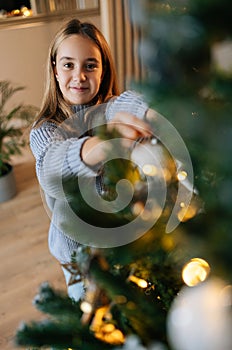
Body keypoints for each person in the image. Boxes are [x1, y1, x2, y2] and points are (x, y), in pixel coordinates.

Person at [30, 18, 152, 300]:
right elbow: (53, 170)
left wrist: (151, 113)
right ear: (55, 70)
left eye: (90, 65)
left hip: (127, 247)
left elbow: (131, 103)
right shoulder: (45, 129)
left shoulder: (112, 108)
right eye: (68, 64)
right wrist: (104, 143)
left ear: (103, 69)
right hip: (79, 262)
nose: (79, 75)